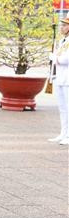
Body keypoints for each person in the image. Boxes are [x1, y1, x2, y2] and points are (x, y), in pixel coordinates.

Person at [49, 14, 69, 145]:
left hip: (67, 78)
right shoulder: (62, 41)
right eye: (61, 25)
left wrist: (54, 58)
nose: (61, 28)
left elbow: (65, 59)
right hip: (60, 77)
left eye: (64, 25)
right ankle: (63, 132)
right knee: (62, 108)